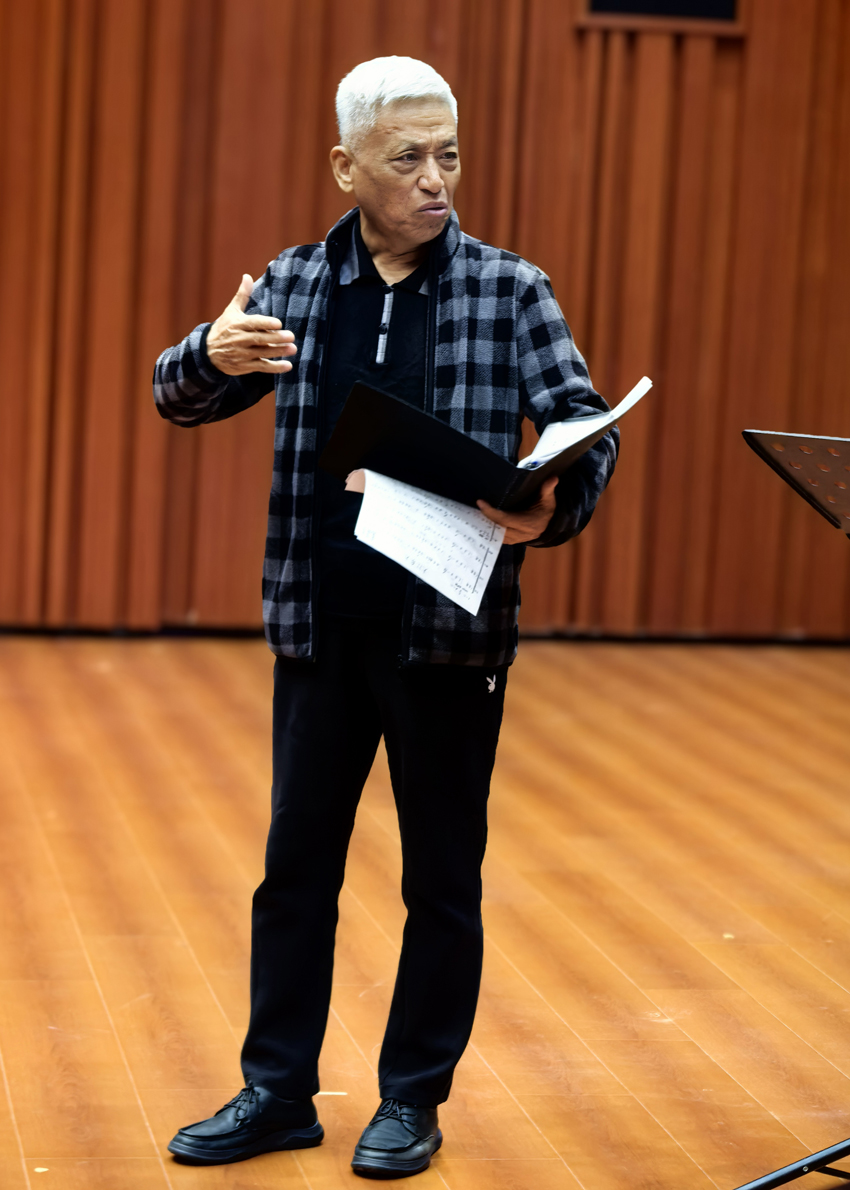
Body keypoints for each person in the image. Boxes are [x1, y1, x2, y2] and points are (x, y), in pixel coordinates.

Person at [153, 55, 618, 1180]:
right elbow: (178, 394)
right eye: (407, 158)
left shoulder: (511, 289)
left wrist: (554, 498)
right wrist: (207, 353)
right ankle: (277, 1090)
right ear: (345, 166)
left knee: (440, 879)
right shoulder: (298, 284)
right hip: (320, 624)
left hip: (446, 634)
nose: (435, 179)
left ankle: (412, 1098)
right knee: (295, 869)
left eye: (448, 154)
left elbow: (583, 426)